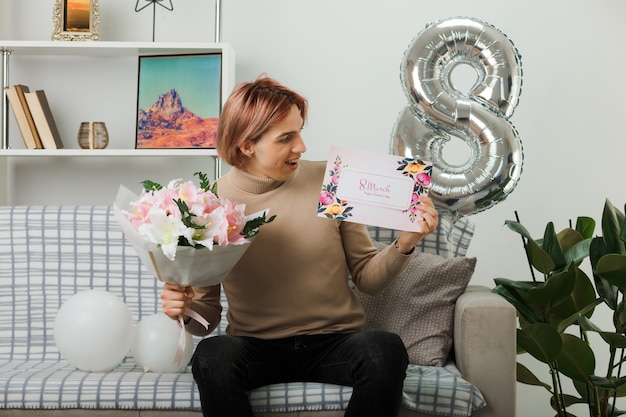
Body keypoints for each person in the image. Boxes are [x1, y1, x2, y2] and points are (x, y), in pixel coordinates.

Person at [160, 76, 439, 417]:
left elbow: (368, 277)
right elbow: (206, 319)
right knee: (212, 355)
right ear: (248, 145)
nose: (302, 147)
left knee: (384, 348)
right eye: (286, 138)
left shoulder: (332, 181)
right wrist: (184, 309)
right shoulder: (210, 204)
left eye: (300, 132)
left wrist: (406, 243)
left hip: (336, 342)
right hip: (255, 348)